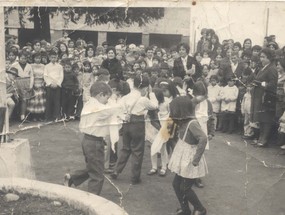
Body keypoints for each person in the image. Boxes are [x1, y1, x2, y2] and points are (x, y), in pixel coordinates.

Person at [64, 82, 119, 195]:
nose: (107, 101)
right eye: (106, 98)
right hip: (94, 142)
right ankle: (92, 201)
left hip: (88, 141)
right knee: (97, 175)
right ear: (100, 95)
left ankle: (72, 178)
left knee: (94, 166)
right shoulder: (97, 108)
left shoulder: (90, 103)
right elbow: (112, 109)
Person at [111, 74, 159, 184]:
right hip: (138, 123)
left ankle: (117, 171)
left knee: (125, 148)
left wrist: (124, 116)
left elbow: (118, 109)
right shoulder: (143, 99)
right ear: (145, 87)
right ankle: (135, 177)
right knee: (137, 150)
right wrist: (151, 93)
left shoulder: (125, 97)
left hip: (127, 122)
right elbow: (155, 106)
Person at [168, 96, 208, 215]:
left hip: (190, 159)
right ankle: (185, 209)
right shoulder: (183, 122)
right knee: (176, 184)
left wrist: (196, 159)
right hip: (183, 158)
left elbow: (203, 138)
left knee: (185, 188)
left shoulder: (192, 123)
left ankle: (200, 209)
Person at [251, 48, 278, 147]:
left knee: (266, 118)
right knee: (261, 118)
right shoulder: (264, 67)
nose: (261, 59)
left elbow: (272, 84)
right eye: (260, 57)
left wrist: (261, 83)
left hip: (267, 97)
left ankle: (264, 139)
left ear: (269, 58)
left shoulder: (272, 68)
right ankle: (260, 138)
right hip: (259, 95)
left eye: (263, 57)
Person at [43, 50, 64, 121]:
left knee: (57, 101)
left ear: (57, 57)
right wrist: (50, 84)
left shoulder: (60, 66)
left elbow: (61, 76)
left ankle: (56, 116)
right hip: (49, 86)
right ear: (49, 58)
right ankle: (48, 116)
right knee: (49, 101)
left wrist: (58, 84)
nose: (53, 59)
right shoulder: (46, 66)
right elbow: (45, 76)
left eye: (55, 57)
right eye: (52, 57)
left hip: (57, 86)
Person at [27, 52, 46, 121]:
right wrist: (32, 85)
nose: (38, 59)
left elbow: (45, 76)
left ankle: (40, 116)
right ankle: (34, 116)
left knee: (40, 101)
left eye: (39, 58)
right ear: (34, 58)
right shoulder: (31, 65)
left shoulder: (43, 66)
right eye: (36, 58)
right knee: (34, 101)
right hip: (34, 84)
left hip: (41, 84)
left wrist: (43, 83)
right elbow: (31, 76)